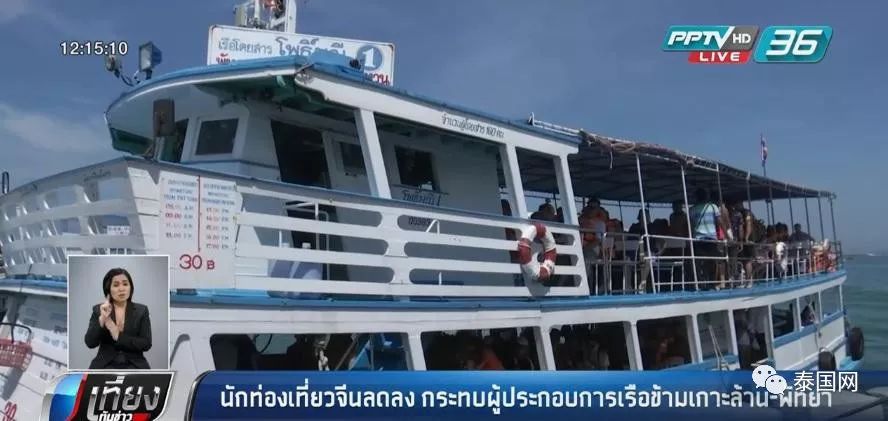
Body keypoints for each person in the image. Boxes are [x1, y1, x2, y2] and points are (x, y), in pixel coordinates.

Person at [84, 268, 152, 369]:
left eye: (125, 284)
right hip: (105, 364)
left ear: (130, 287)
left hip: (134, 364)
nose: (121, 289)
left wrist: (118, 336)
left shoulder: (141, 310)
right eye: (116, 285)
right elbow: (90, 343)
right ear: (108, 289)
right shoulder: (99, 310)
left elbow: (146, 344)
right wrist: (102, 319)